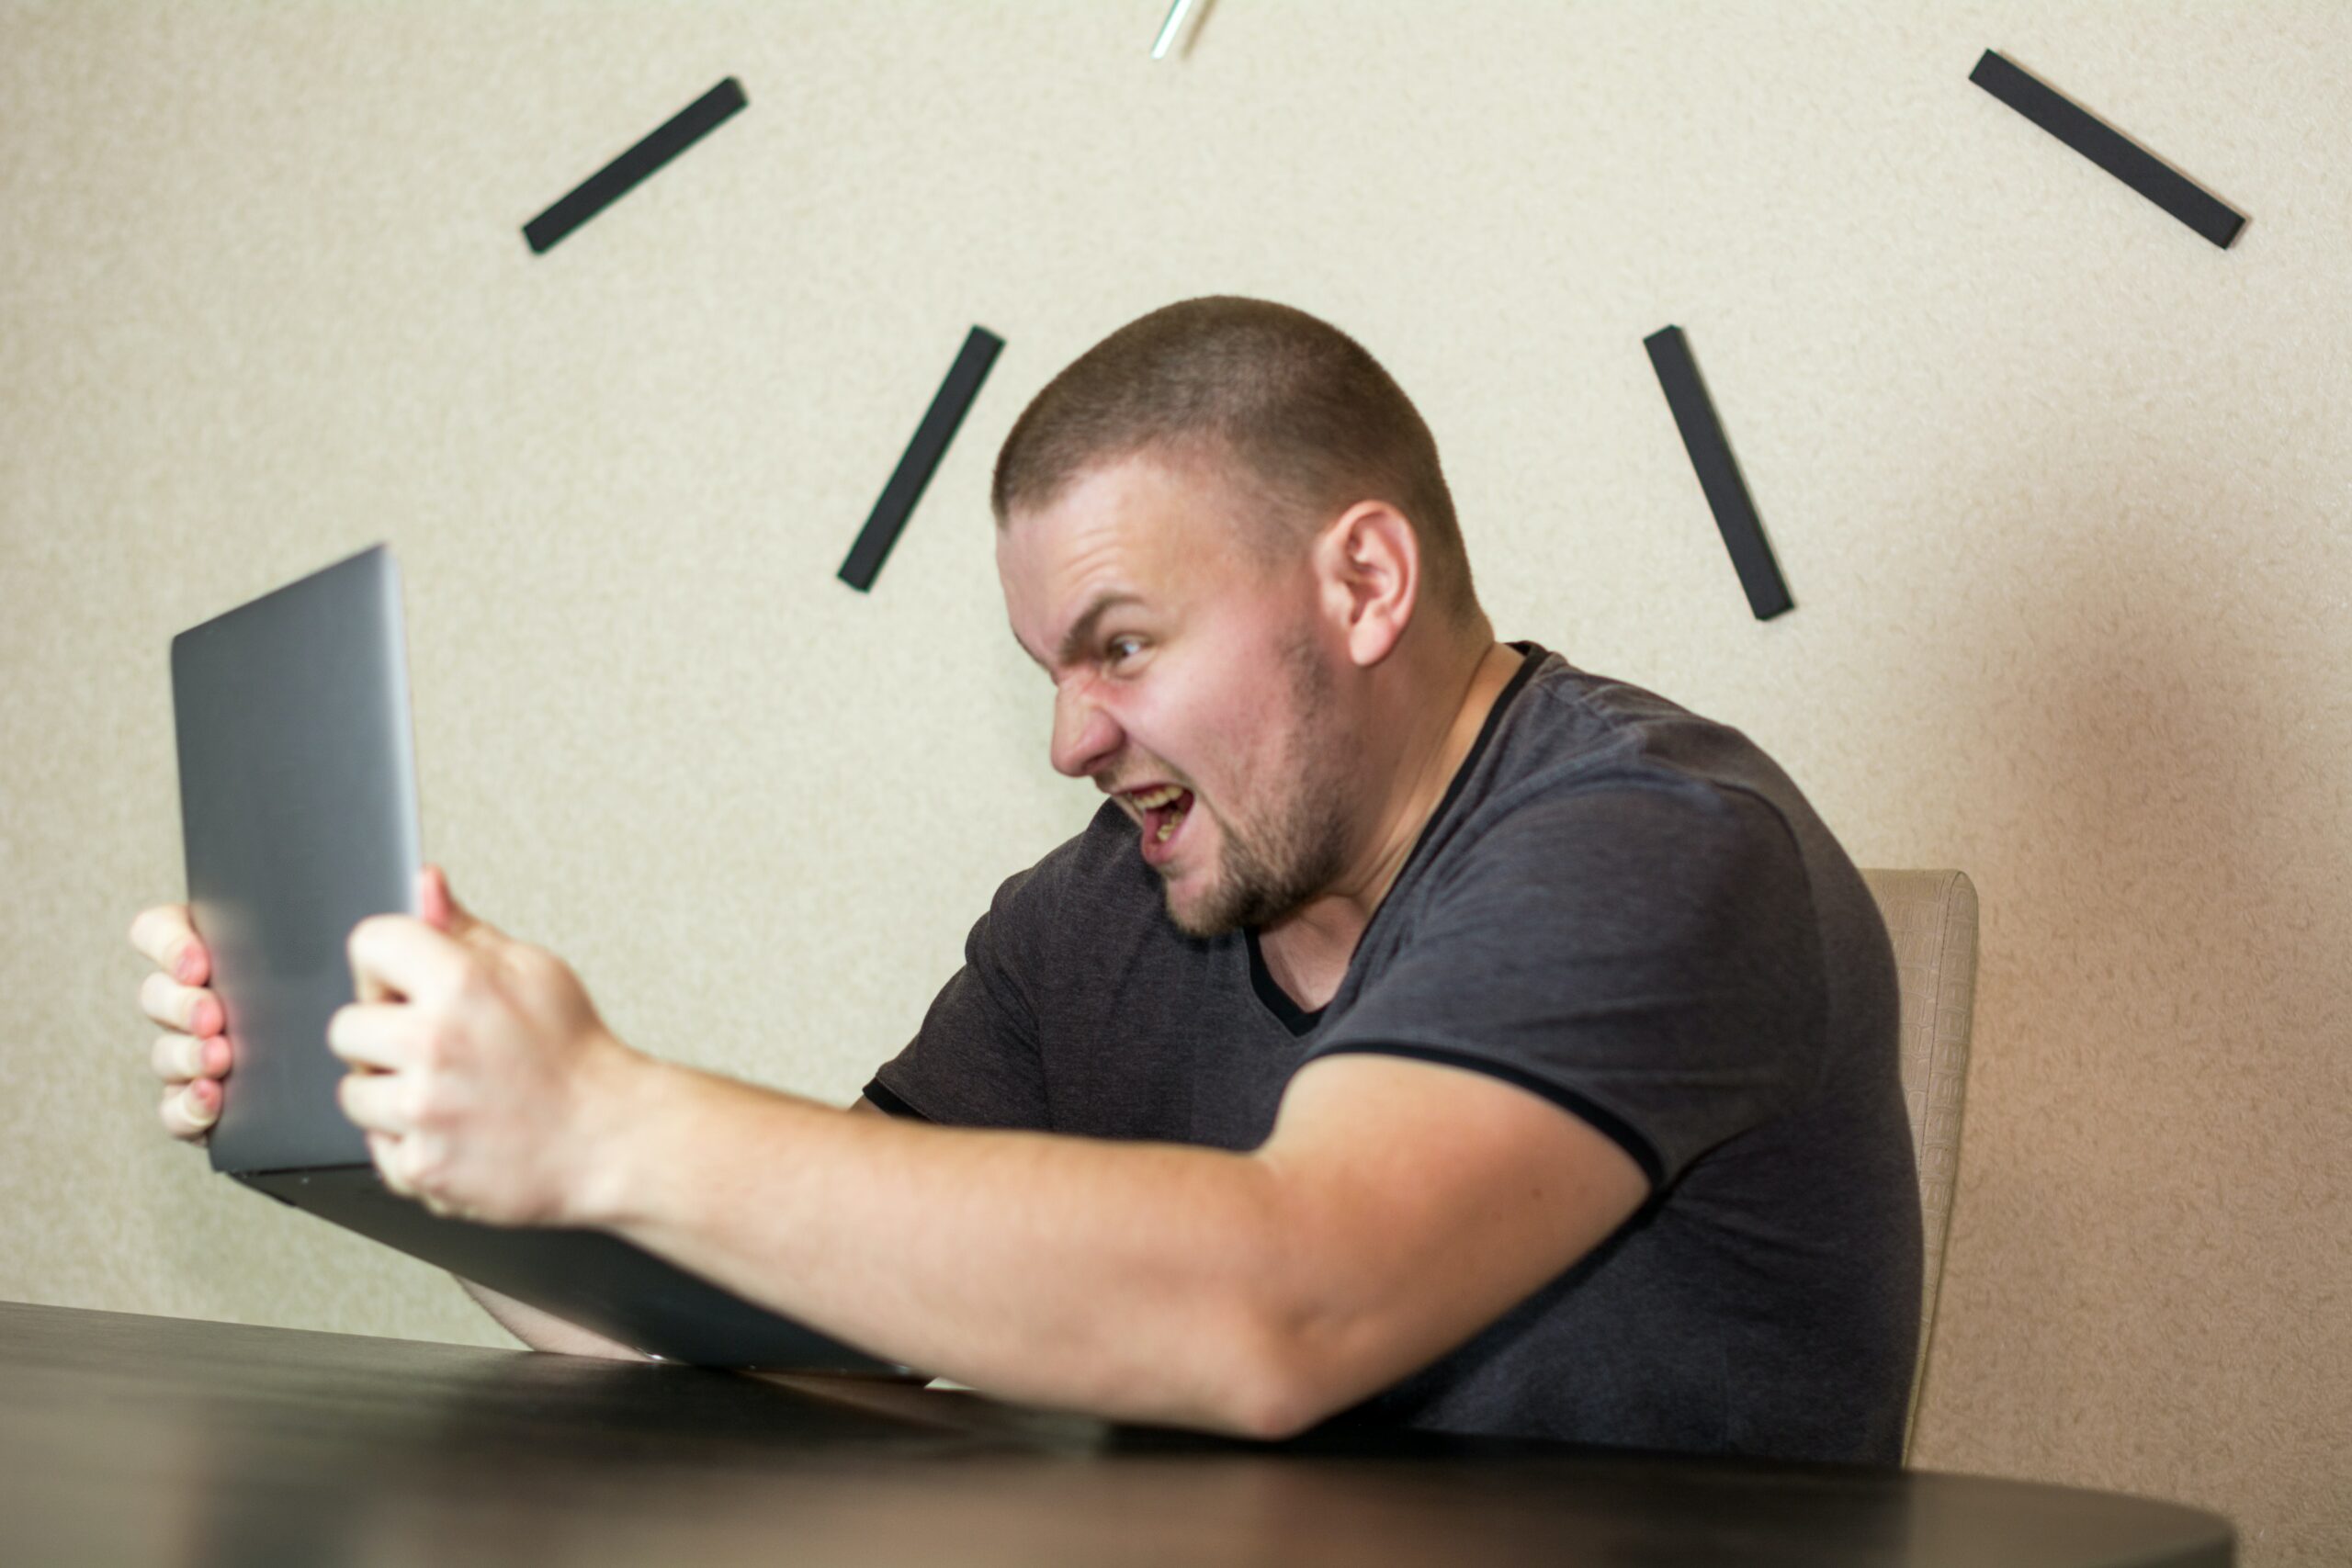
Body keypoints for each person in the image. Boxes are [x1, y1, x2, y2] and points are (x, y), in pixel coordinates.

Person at [130, 297, 1921, 1461]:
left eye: (1120, 645)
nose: (1074, 738)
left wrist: (607, 1116)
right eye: (1048, 669)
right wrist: (392, 1137)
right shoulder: (1102, 908)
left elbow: (1284, 1300)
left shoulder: (1652, 843)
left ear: (1361, 583)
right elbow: (793, 1333)